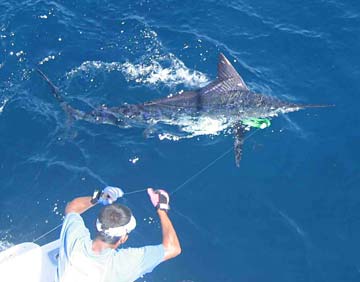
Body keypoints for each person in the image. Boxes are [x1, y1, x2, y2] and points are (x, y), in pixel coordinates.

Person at [55, 186, 181, 282]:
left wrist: (100, 197)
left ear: (98, 225)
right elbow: (173, 248)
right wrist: (161, 209)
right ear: (123, 238)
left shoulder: (75, 240)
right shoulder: (125, 263)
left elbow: (72, 208)